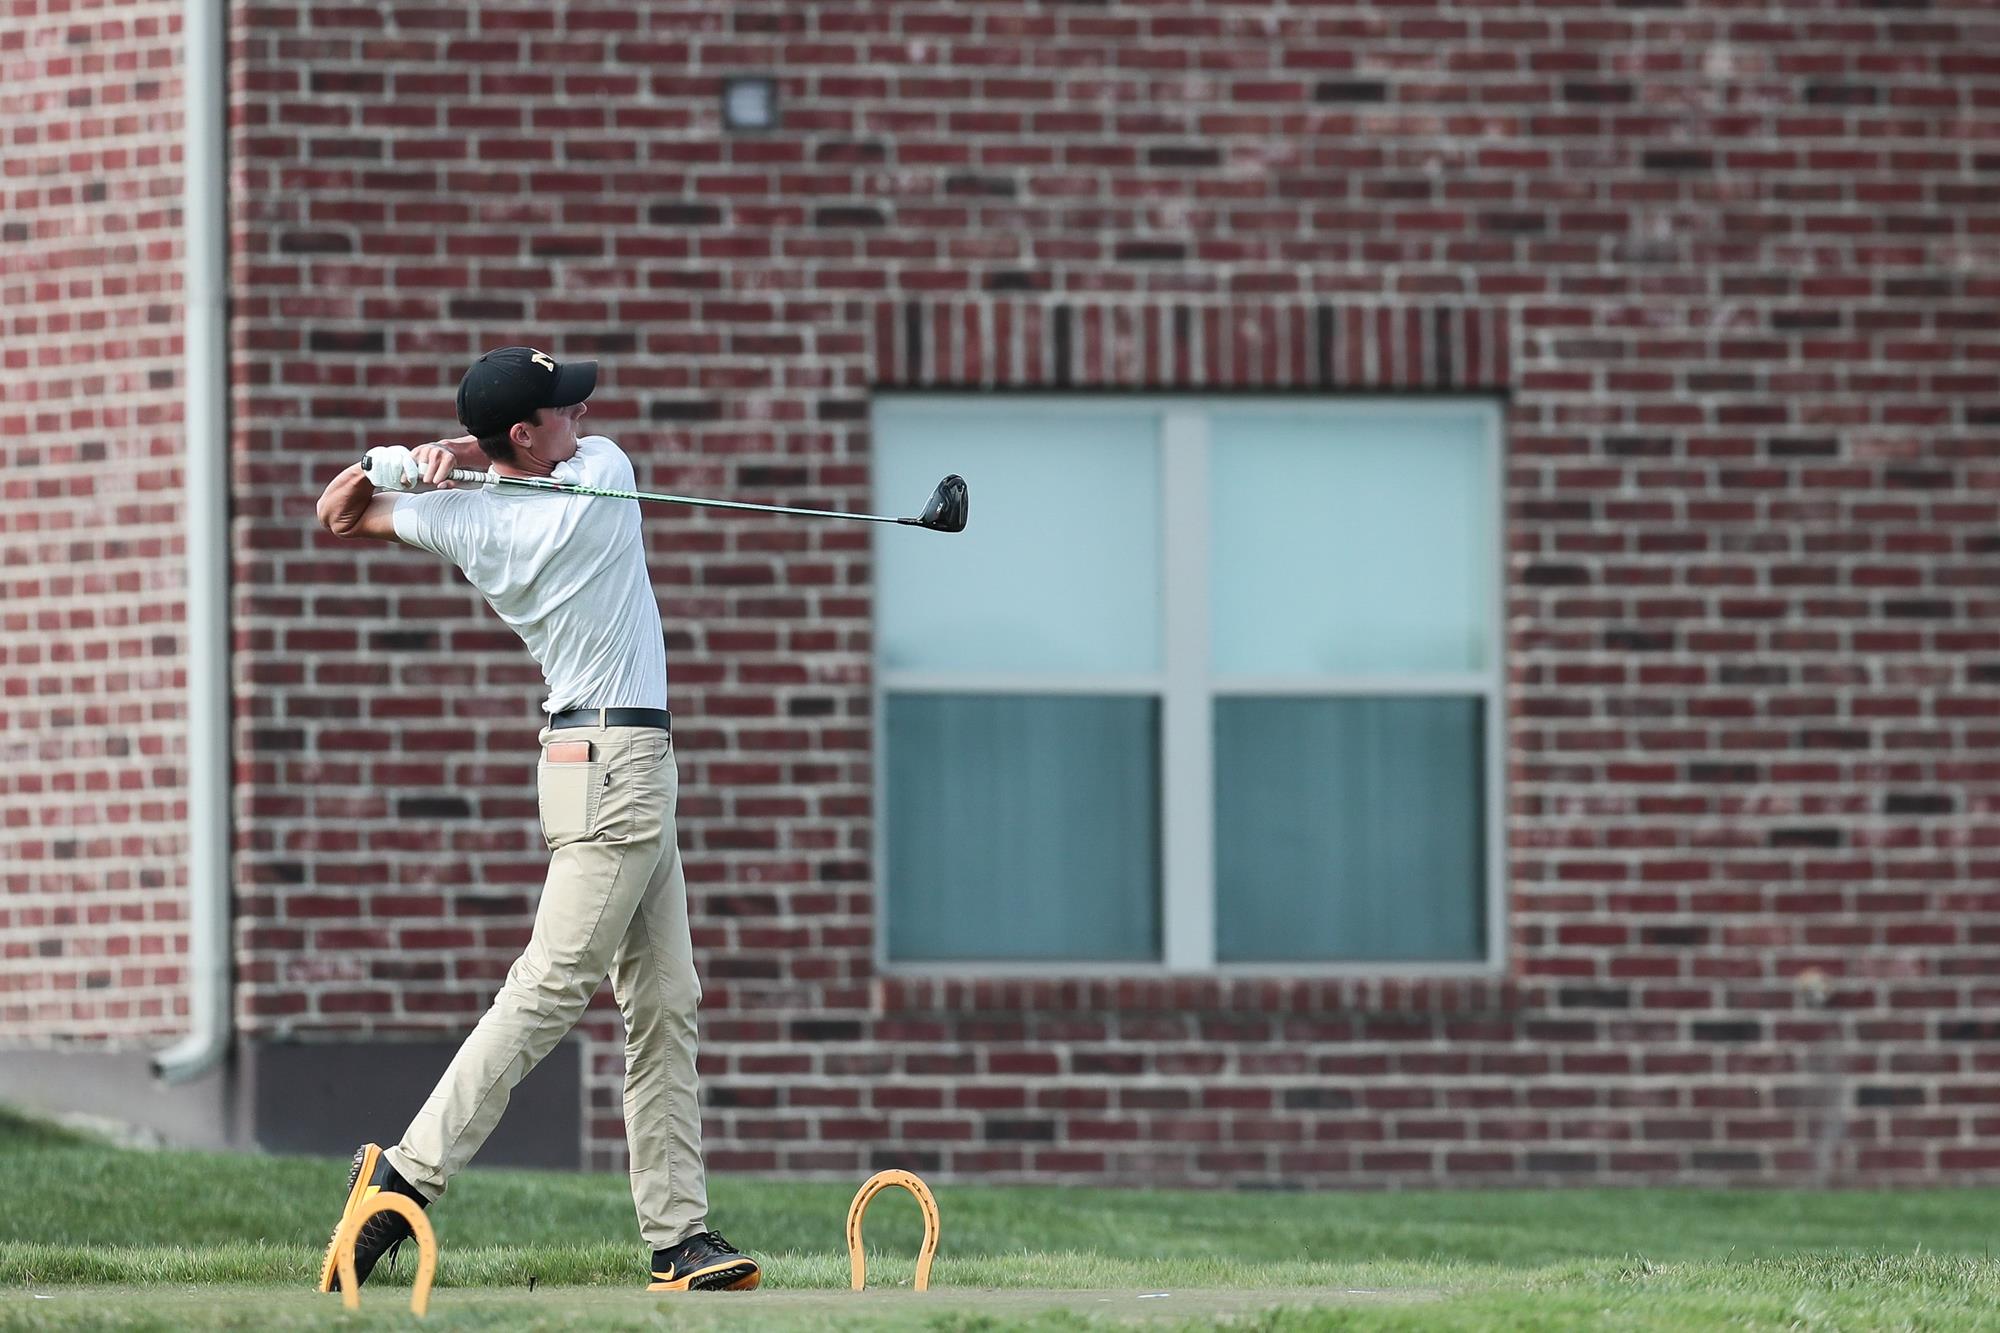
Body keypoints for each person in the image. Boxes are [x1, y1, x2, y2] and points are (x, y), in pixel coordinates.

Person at [310, 346, 759, 1294]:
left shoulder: (463, 519)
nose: (581, 408)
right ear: (526, 434)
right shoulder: (604, 478)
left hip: (599, 764)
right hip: (620, 771)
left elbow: (336, 514)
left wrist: (394, 463)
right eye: (562, 405)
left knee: (666, 998)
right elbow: (531, 464)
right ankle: (400, 1180)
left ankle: (680, 1238)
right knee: (551, 989)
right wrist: (436, 451)